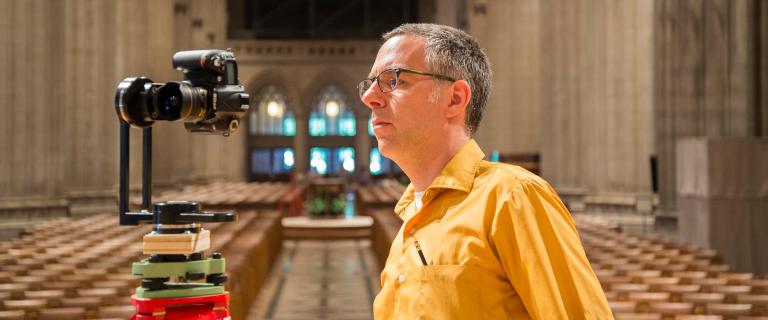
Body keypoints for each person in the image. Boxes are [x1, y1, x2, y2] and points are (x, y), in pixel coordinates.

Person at [358, 23, 612, 319]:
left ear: (454, 98)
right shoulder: (409, 220)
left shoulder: (512, 197)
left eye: (393, 80)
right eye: (370, 84)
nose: (369, 97)